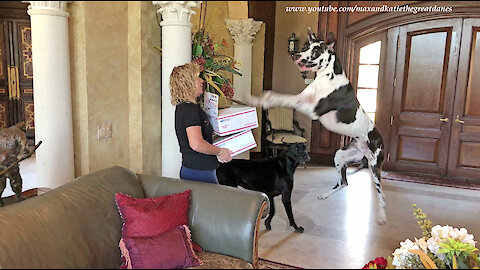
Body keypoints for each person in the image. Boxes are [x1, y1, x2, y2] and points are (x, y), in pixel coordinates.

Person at [170, 62, 233, 184]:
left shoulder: (184, 107)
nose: (201, 81)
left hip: (194, 169)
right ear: (188, 83)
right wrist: (220, 151)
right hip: (199, 172)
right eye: (197, 77)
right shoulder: (190, 110)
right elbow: (197, 144)